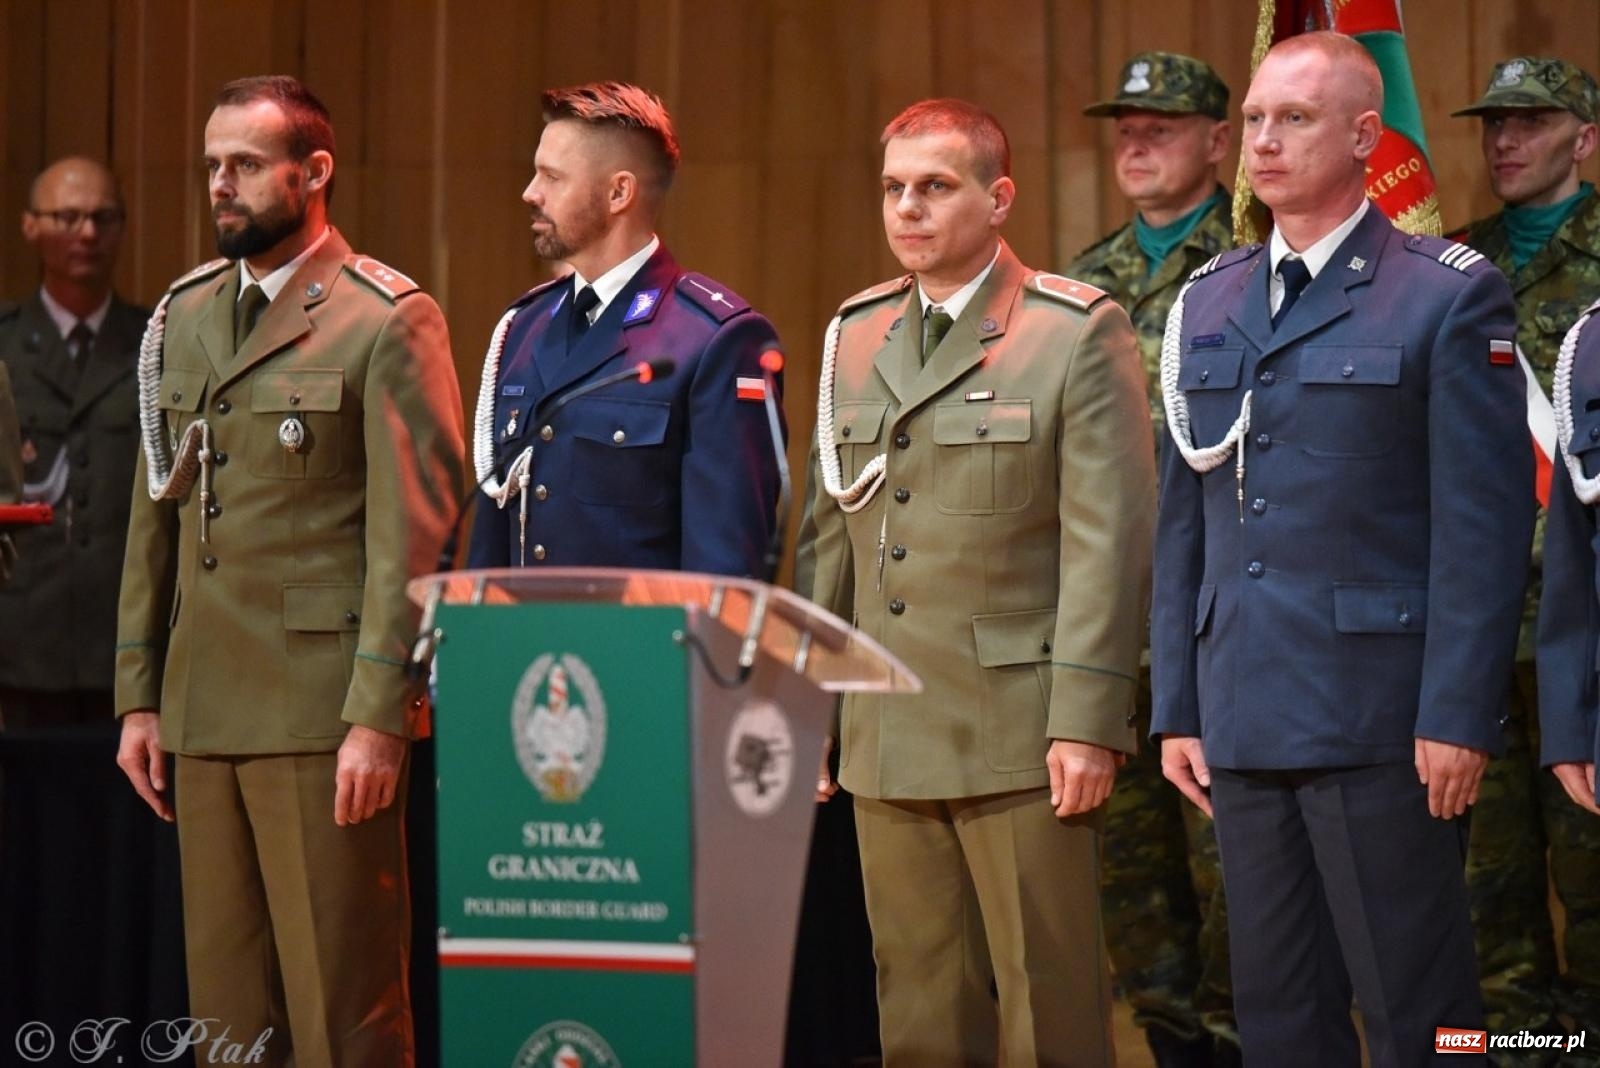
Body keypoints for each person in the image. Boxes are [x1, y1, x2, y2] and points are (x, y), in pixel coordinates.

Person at [1152, 32, 1531, 1067]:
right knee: (1276, 1015)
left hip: (1380, 716)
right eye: (1258, 121)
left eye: (1296, 119)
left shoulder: (1446, 295)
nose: (1263, 144)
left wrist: (1457, 714)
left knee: (1427, 1013)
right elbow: (1185, 516)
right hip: (1240, 708)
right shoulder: (1210, 298)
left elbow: (1483, 532)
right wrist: (1178, 702)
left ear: (1368, 135)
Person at [114, 74, 465, 1065]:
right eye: (212, 166)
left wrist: (381, 714)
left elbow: (418, 535)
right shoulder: (184, 314)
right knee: (228, 1013)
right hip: (204, 701)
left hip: (323, 712)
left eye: (246, 165)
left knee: (340, 1003)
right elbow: (159, 515)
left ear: (315, 171)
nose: (221, 186)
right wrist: (139, 695)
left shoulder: (384, 318)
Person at [798, 96, 1155, 1066]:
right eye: (892, 189)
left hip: (1020, 729)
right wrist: (810, 708)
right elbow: (829, 534)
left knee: (1050, 1001)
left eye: (934, 187)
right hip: (888, 730)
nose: (907, 208)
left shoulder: (1070, 332)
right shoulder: (857, 334)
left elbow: (1106, 543)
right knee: (915, 1003)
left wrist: (1086, 719)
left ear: (997, 199)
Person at [1068, 51, 1237, 1068]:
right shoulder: (1079, 286)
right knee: (1131, 891)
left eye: (1161, 126)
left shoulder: (1259, 264)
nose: (1135, 140)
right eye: (1124, 125)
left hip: (1228, 623)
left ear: (1219, 142)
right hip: (1112, 622)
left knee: (1235, 881)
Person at [466, 81, 781, 577]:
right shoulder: (521, 330)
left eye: (552, 177)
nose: (530, 193)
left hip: (640, 652)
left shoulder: (711, 340)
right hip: (525, 650)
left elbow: (724, 573)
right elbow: (490, 537)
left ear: (619, 192)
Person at [1451, 56, 1600, 1059]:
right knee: (1485, 889)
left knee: (1593, 886)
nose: (1504, 139)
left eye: (1531, 121)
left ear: (1583, 137)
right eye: (1493, 123)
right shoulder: (1451, 267)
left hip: (1585, 633)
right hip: (1475, 624)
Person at [0, 158, 149, 725]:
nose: (87, 233)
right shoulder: (6, 349)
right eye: (67, 217)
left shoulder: (156, 345)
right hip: (20, 646)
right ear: (30, 226)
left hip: (125, 645)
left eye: (102, 217)